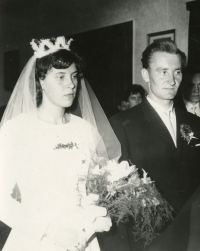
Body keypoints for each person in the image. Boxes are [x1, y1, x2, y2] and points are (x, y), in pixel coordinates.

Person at [0, 36, 122, 251]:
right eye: (60, 77)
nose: (71, 84)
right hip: (37, 237)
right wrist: (53, 231)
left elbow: (93, 188)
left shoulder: (84, 129)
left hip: (82, 237)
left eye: (74, 76)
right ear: (40, 81)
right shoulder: (17, 129)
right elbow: (2, 201)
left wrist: (95, 217)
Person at [110, 39, 200, 250]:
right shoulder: (122, 123)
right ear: (145, 75)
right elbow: (117, 195)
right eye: (162, 72)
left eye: (177, 72)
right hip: (150, 238)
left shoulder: (194, 123)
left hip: (193, 234)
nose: (172, 80)